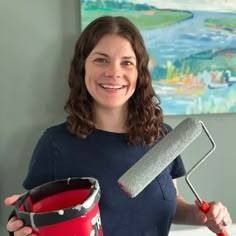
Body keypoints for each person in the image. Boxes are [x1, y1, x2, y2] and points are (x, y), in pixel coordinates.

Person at [5, 15, 231, 236]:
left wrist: (203, 215)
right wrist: (23, 229)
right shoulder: (55, 144)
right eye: (101, 59)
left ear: (138, 73)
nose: (114, 72)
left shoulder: (162, 136)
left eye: (127, 63)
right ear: (83, 67)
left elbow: (167, 206)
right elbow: (36, 220)